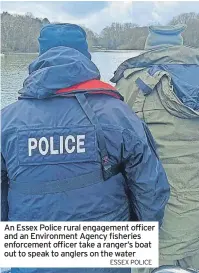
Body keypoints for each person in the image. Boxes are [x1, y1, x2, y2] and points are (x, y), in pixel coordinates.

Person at [1, 23, 170, 273]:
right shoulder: (119, 115)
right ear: (85, 57)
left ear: (40, 59)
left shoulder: (7, 121)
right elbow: (151, 190)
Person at [111, 24, 199, 273]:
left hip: (155, 218)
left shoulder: (129, 84)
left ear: (149, 47)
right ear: (180, 45)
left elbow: (114, 145)